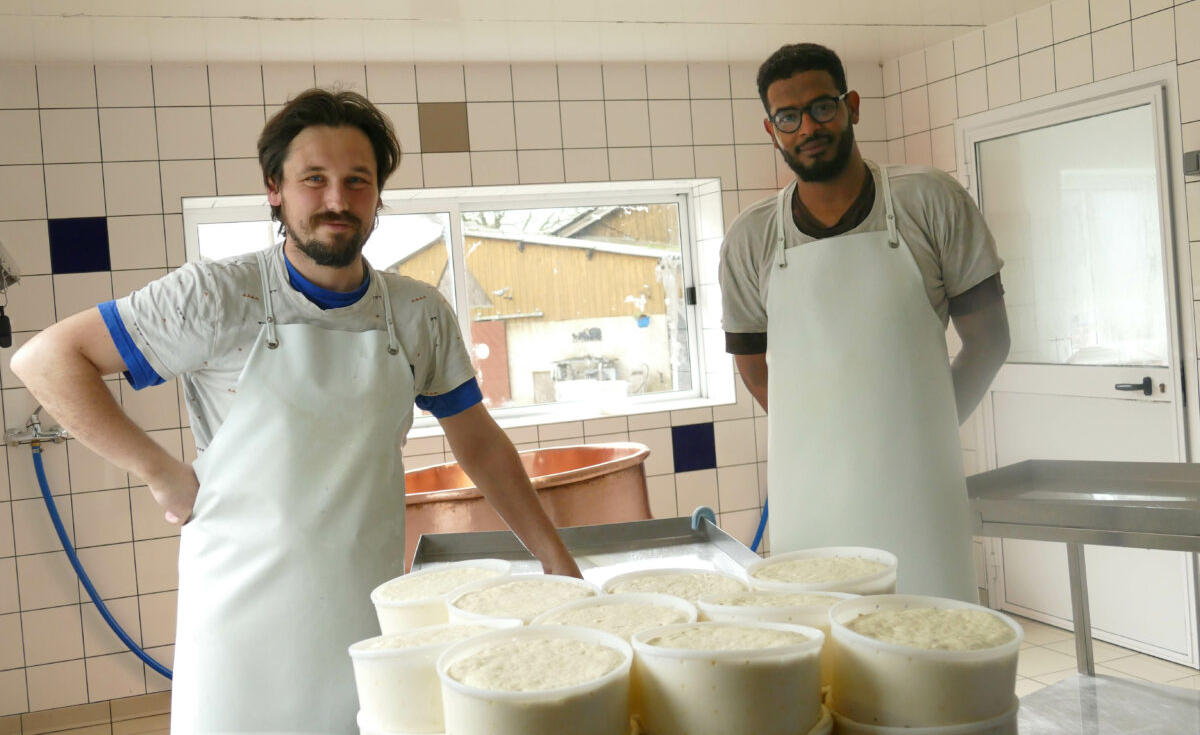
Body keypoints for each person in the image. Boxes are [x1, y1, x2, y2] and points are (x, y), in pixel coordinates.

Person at [11, 89, 581, 734]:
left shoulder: (418, 313)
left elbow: (479, 445)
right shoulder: (217, 295)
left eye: (357, 180)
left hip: (361, 595)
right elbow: (46, 360)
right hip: (237, 610)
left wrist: (554, 558)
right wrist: (158, 470)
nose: (337, 200)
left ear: (378, 196)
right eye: (314, 179)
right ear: (274, 189)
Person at [719, 43, 1010, 603]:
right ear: (772, 130)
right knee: (825, 635)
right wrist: (825, 439)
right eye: (788, 117)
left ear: (851, 105)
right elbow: (752, 366)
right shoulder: (751, 237)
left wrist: (923, 432)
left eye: (821, 107)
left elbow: (989, 340)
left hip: (919, 489)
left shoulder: (930, 199)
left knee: (932, 628)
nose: (808, 127)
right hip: (809, 495)